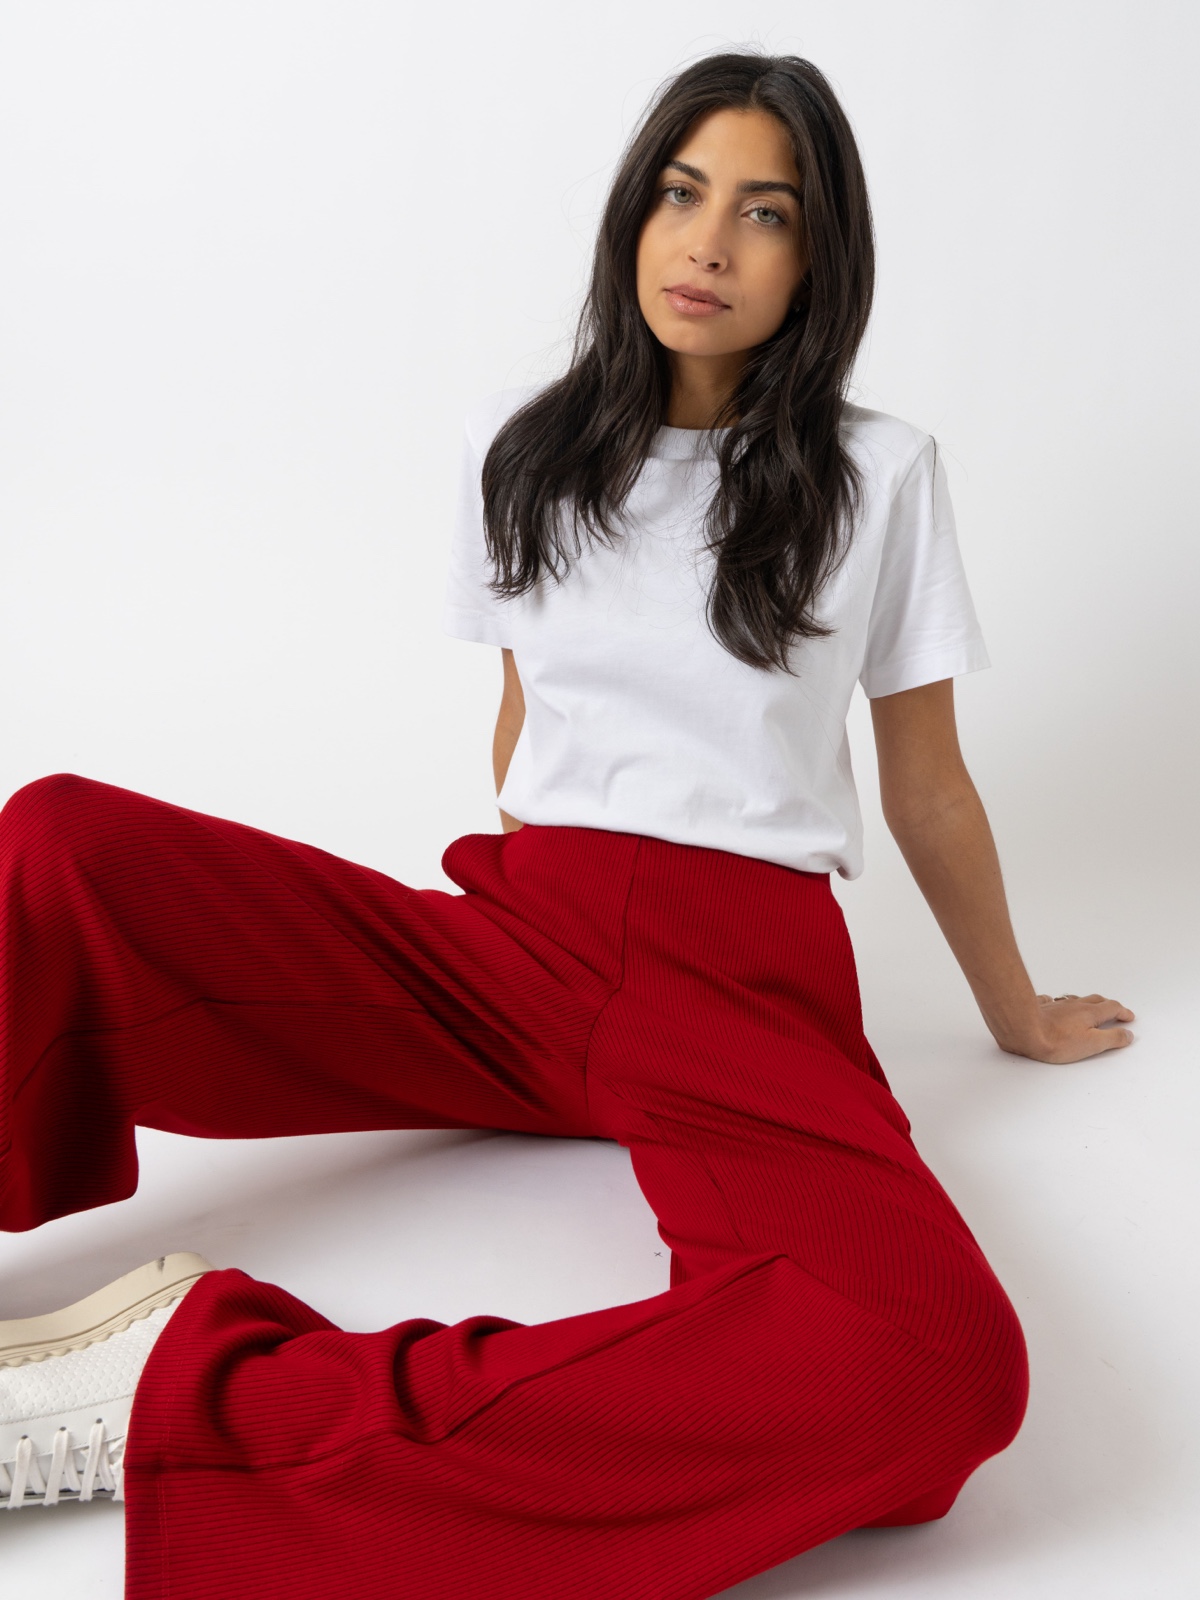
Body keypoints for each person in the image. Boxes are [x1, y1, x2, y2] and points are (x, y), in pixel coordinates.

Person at [0, 49, 1133, 1600]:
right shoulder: (522, 445)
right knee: (63, 843)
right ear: (633, 212)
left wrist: (1014, 1012)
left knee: (941, 1364)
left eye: (765, 212)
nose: (709, 242)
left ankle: (192, 1402)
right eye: (681, 194)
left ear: (819, 259)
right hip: (528, 935)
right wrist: (511, 919)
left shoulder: (880, 475)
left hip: (741, 980)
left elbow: (926, 782)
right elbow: (533, 718)